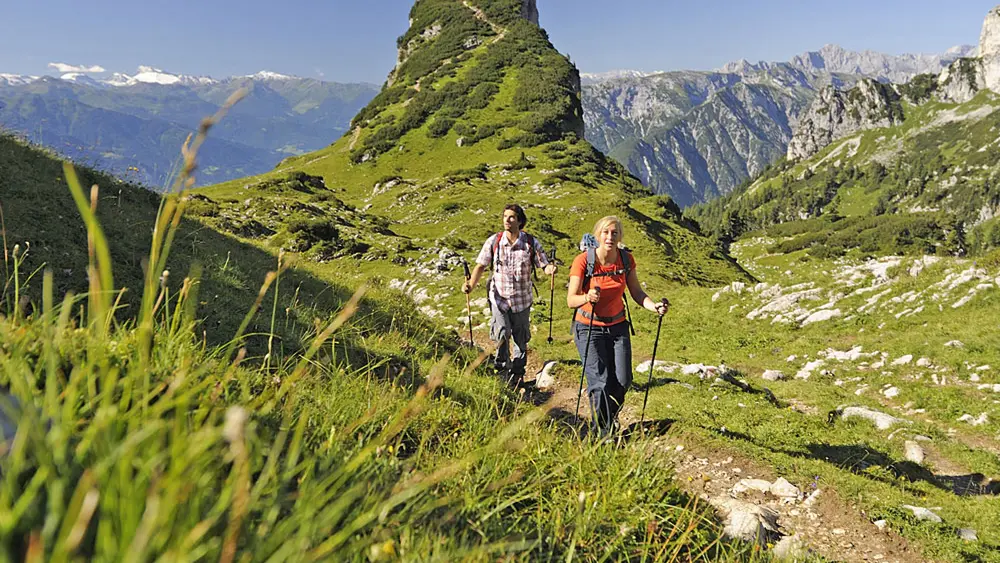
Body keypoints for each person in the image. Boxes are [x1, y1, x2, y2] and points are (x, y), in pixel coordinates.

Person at [566, 216, 669, 439]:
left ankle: (608, 421)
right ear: (597, 235)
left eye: (614, 233)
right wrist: (587, 297)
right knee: (600, 382)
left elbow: (636, 292)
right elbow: (570, 300)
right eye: (605, 232)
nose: (610, 237)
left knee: (623, 380)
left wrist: (654, 307)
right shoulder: (583, 261)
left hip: (618, 326)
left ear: (619, 236)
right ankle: (602, 435)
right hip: (588, 327)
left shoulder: (625, 260)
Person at [463, 204, 557, 387]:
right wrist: (470, 285)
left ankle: (518, 372)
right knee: (502, 332)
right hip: (499, 297)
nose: (507, 219)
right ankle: (502, 369)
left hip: (522, 299)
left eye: (512, 217)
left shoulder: (530, 242)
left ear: (520, 221)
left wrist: (550, 269)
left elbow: (543, 265)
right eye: (505, 216)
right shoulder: (494, 241)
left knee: (521, 337)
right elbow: (481, 265)